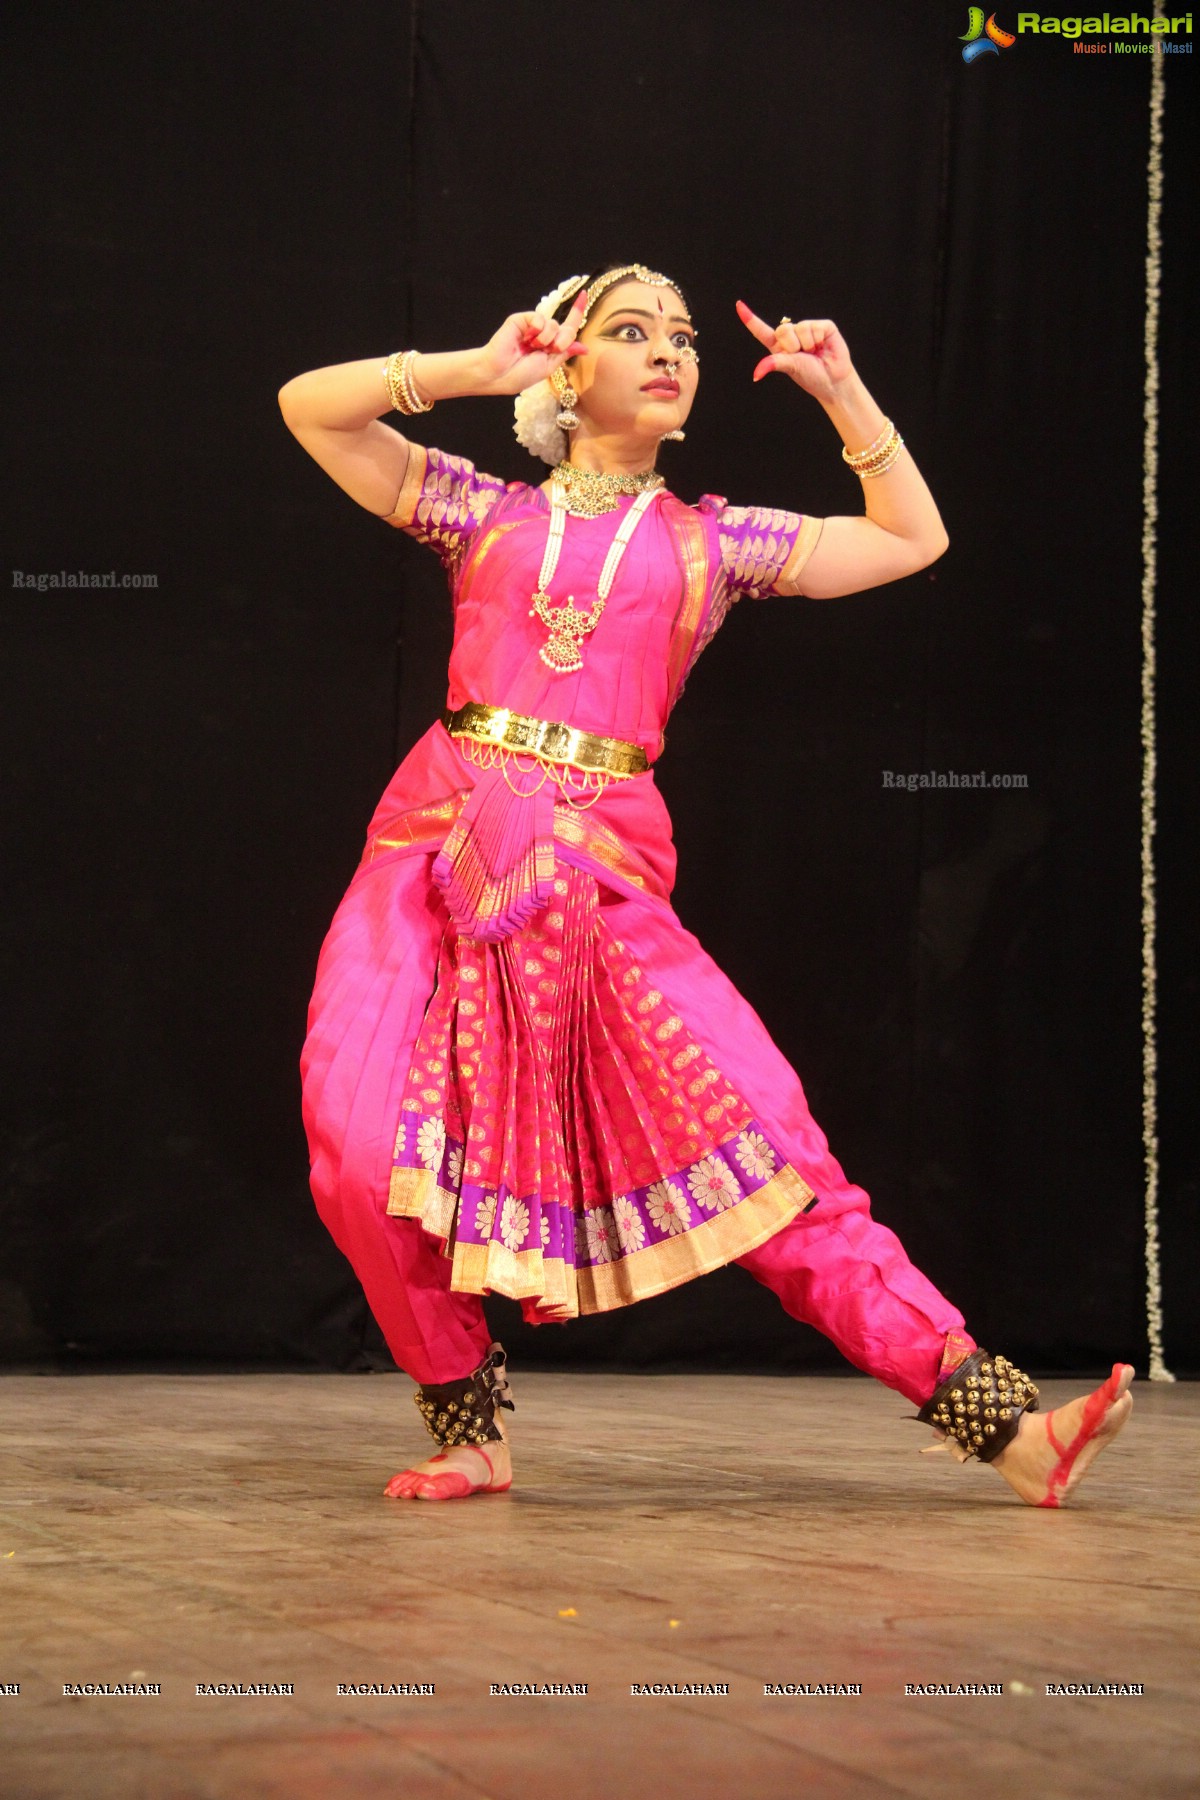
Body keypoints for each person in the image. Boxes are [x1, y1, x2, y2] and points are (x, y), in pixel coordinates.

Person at [279, 262, 1133, 1510]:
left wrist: (844, 394)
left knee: (770, 1152)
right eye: (632, 332)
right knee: (355, 1149)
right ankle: (466, 1423)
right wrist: (467, 371)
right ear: (568, 370)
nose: (669, 351)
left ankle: (1009, 1429)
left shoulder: (713, 544)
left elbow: (913, 538)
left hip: (600, 878)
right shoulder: (478, 511)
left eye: (680, 335)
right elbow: (312, 407)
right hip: (437, 854)